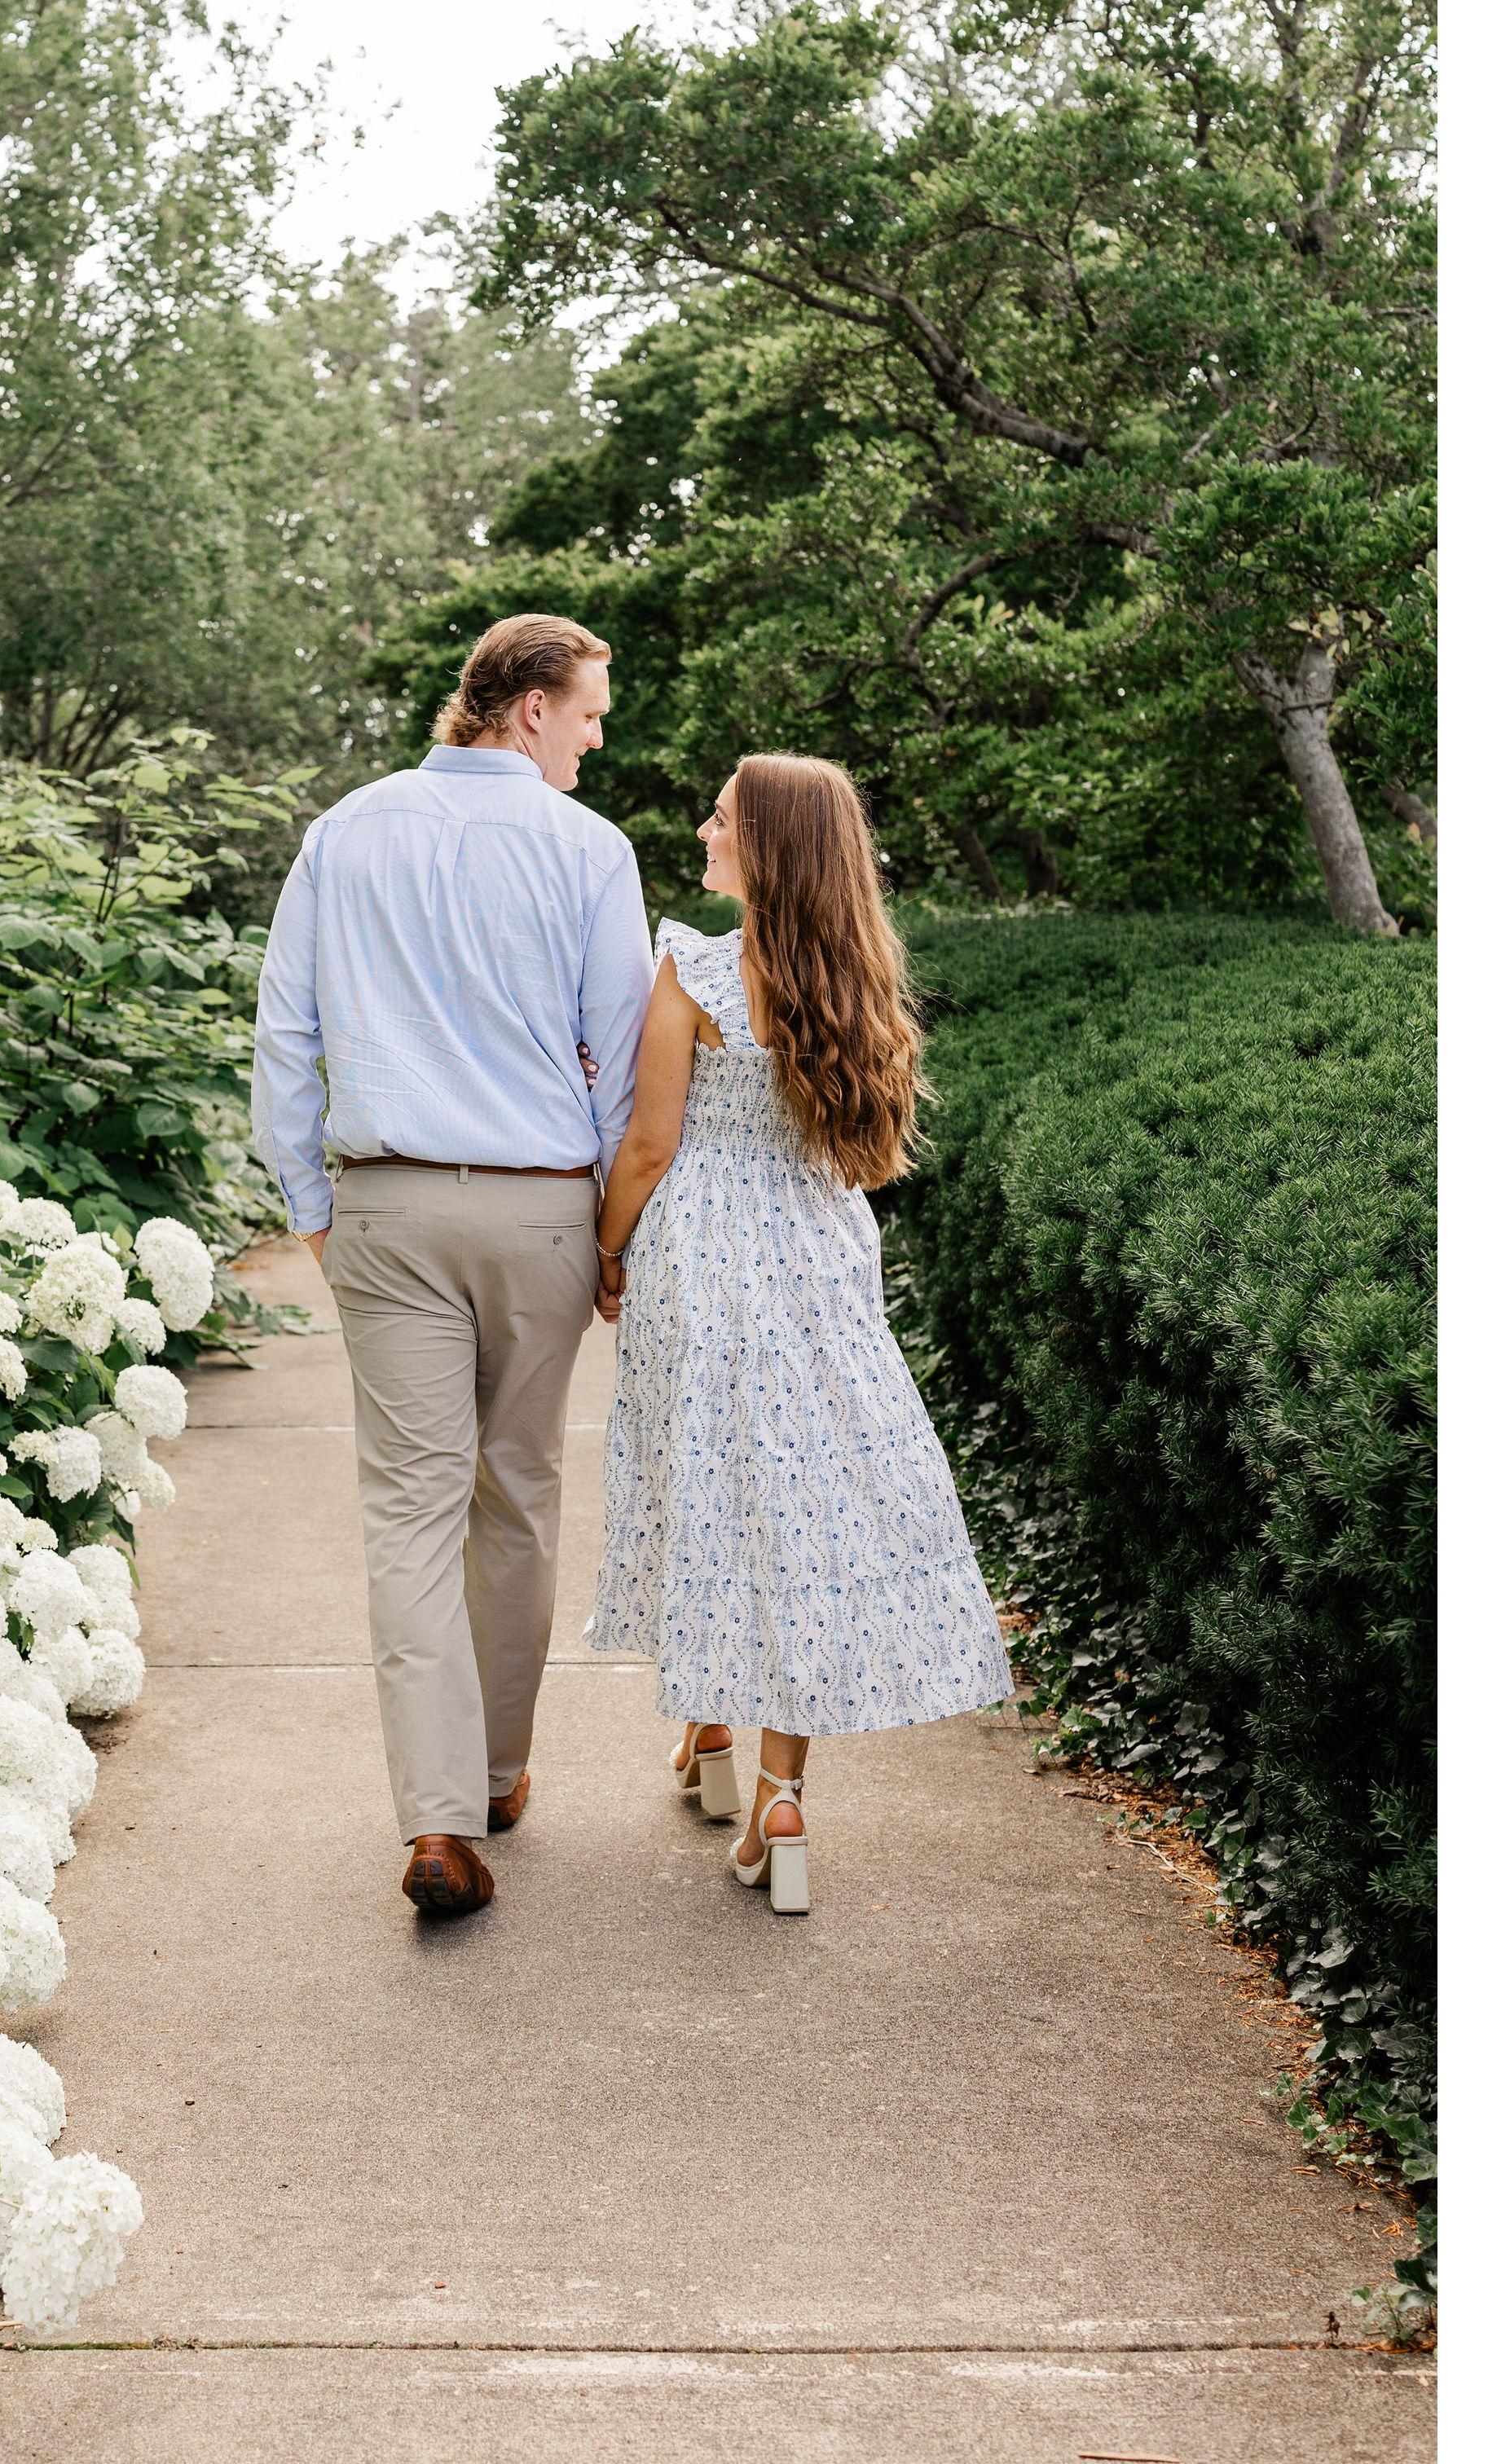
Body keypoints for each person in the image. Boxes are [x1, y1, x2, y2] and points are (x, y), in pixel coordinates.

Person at [251, 614, 654, 1918]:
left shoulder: (344, 832)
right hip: (542, 1214)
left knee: (410, 1513)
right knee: (519, 1494)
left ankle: (437, 1824)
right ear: (531, 707)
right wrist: (610, 1235)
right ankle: (493, 1776)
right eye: (589, 714)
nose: (597, 739)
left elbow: (285, 1034)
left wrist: (314, 1207)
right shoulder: (589, 850)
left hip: (387, 1207)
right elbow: (621, 1065)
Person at [586, 754, 1012, 1914]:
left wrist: (608, 1249)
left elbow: (649, 1146)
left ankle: (711, 1728)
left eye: (722, 817)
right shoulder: (857, 978)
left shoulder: (696, 970)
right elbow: (856, 1153)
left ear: (767, 846)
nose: (704, 828)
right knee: (799, 1502)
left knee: (703, 1477)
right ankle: (773, 1789)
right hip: (819, 1248)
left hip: (700, 1252)